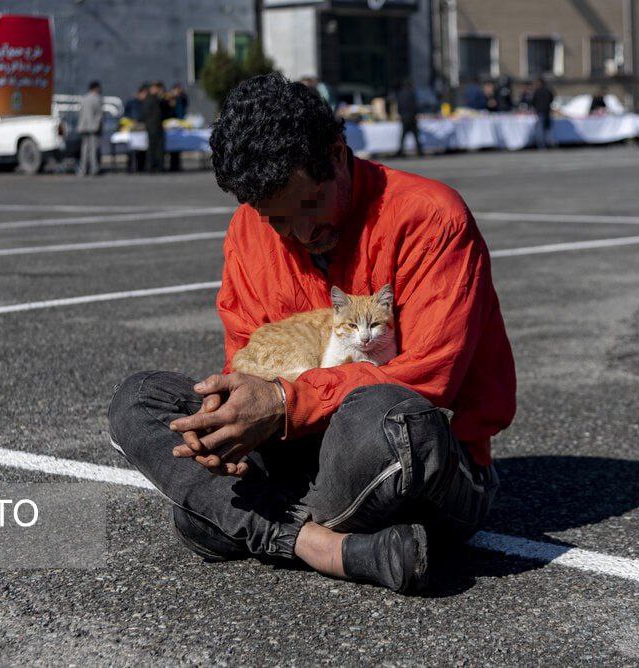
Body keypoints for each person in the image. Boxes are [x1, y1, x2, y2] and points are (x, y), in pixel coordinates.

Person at [108, 73, 515, 595]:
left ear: (338, 154)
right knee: (139, 398)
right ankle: (324, 546)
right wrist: (229, 422)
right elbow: (248, 361)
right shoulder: (246, 231)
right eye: (278, 218)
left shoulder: (431, 218)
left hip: (413, 454)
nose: (301, 232)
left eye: (311, 203)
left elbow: (430, 379)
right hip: (300, 453)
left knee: (388, 414)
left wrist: (283, 402)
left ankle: (235, 520)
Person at [141, 80, 170, 172]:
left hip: (155, 125)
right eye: (157, 88)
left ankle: (156, 166)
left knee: (157, 147)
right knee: (155, 147)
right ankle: (154, 166)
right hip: (153, 126)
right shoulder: (152, 98)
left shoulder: (154, 98)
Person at [77, 80, 104, 177]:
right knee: (93, 149)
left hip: (83, 127)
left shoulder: (84, 98)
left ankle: (82, 170)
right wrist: (98, 126)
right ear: (96, 88)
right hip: (93, 127)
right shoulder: (97, 98)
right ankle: (94, 169)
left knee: (84, 150)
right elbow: (99, 115)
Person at [395, 80, 423, 158]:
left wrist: (400, 114)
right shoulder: (412, 93)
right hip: (412, 117)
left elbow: (399, 106)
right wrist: (416, 114)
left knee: (403, 136)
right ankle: (419, 151)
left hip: (404, 117)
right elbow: (415, 105)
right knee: (416, 135)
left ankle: (401, 151)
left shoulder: (400, 94)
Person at [531, 77, 554, 148]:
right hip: (547, 110)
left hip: (540, 111)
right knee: (547, 128)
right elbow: (552, 99)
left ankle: (541, 144)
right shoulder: (548, 90)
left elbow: (533, 101)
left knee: (540, 128)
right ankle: (548, 143)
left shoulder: (537, 91)